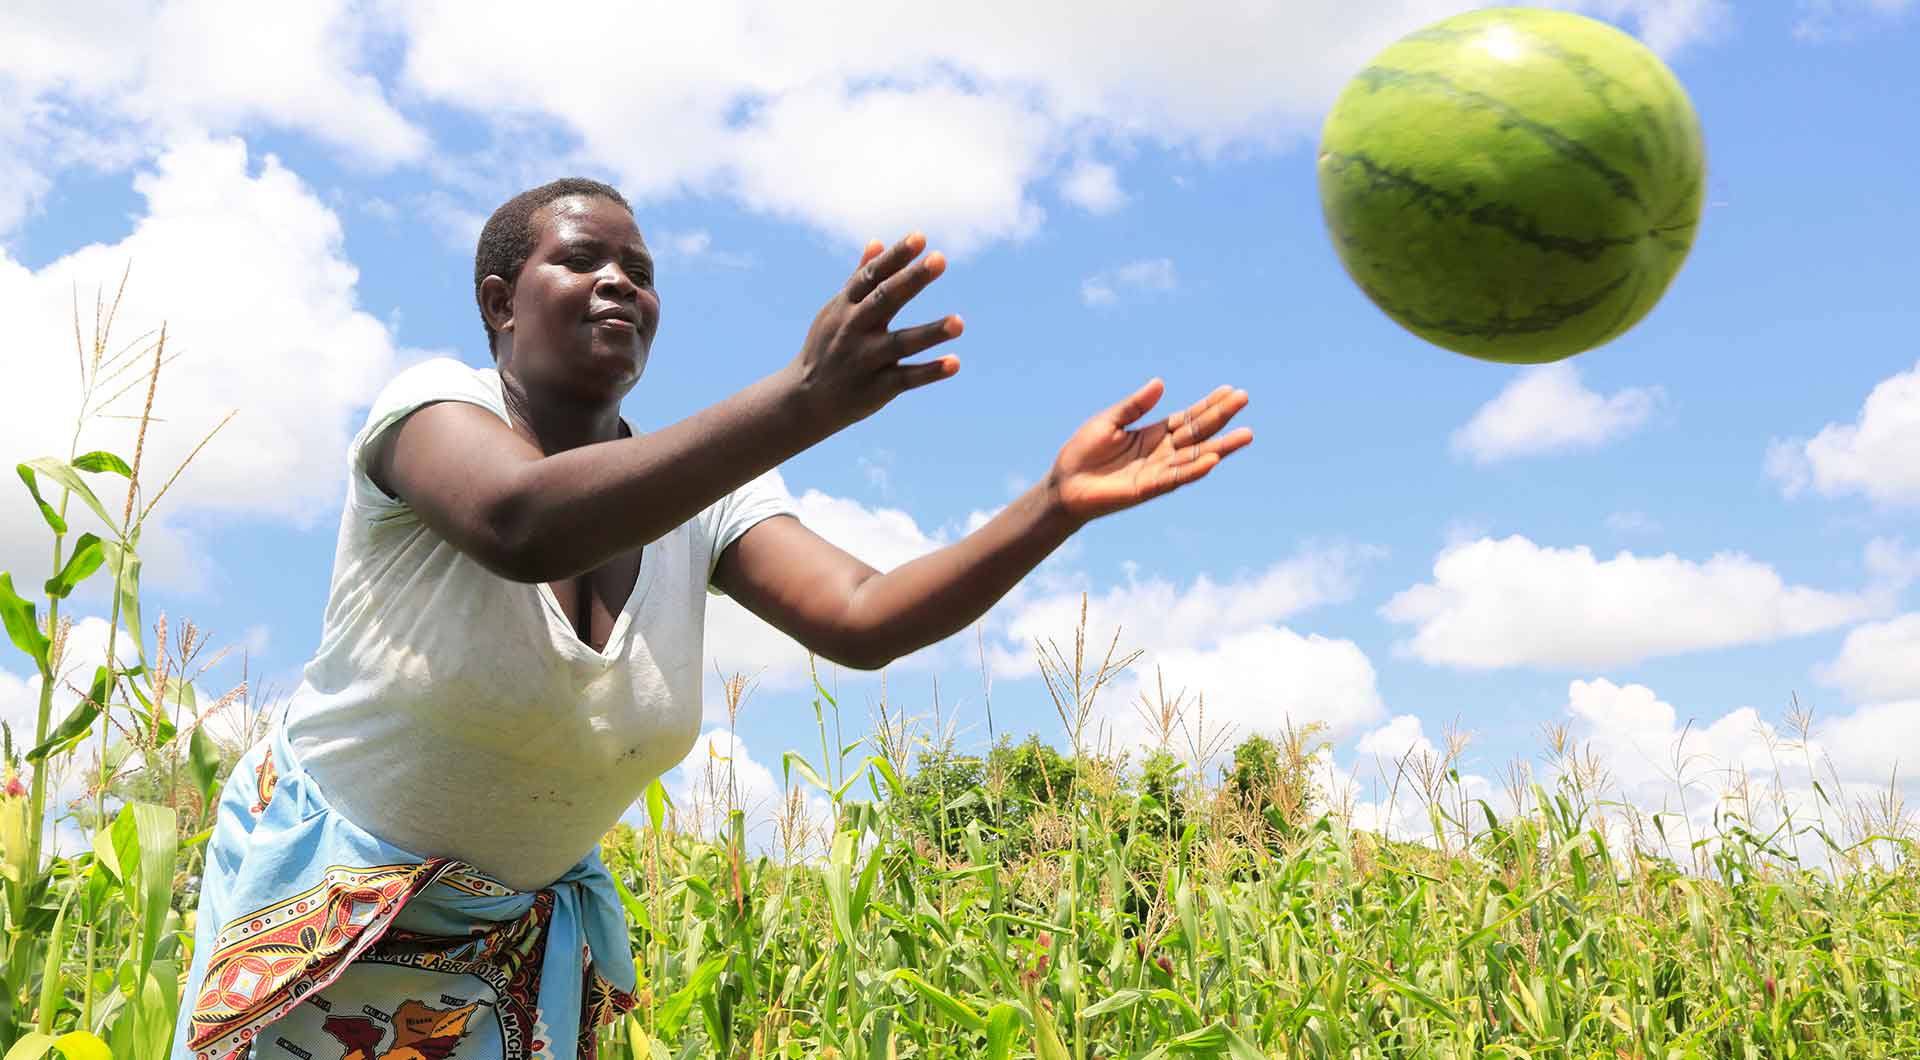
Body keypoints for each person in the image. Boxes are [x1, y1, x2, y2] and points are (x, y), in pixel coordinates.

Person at [171, 177, 1252, 1060]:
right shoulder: (428, 408)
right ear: (502, 301)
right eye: (583, 260)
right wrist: (798, 402)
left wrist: (1051, 505)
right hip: (321, 916)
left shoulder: (710, 501)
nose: (618, 284)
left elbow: (865, 618)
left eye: (639, 273)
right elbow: (520, 523)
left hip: (496, 955)